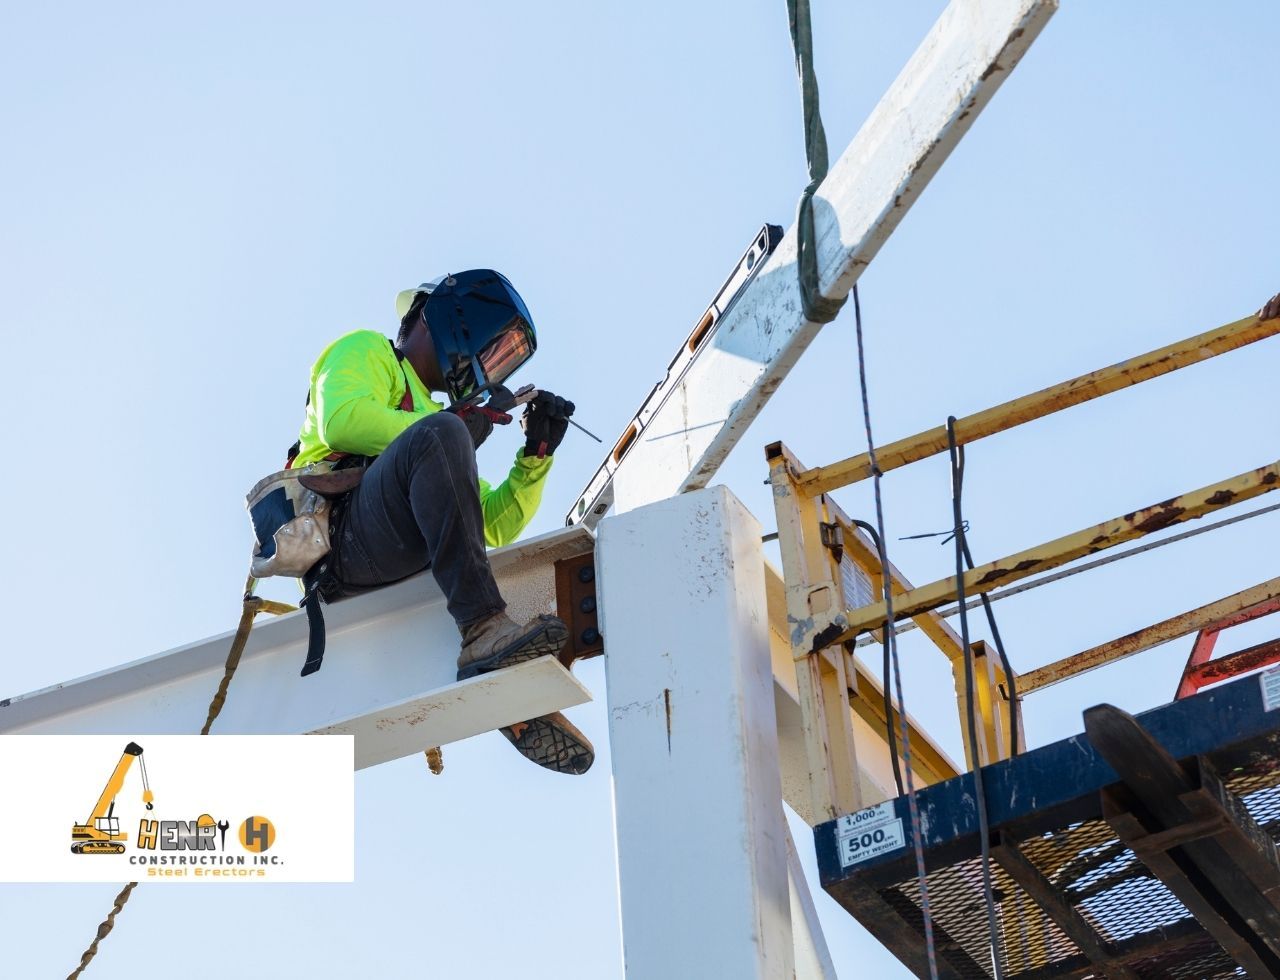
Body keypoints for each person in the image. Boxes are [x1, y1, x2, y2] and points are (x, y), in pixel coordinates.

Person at [289, 270, 593, 775]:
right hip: (343, 541)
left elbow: (491, 526)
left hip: (395, 554)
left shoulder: (434, 424)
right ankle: (484, 631)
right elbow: (342, 419)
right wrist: (457, 426)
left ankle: (513, 693)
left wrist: (535, 456)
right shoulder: (370, 352)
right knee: (439, 438)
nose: (486, 367)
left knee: (478, 556)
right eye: (489, 349)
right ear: (445, 322)